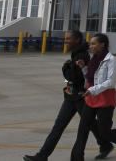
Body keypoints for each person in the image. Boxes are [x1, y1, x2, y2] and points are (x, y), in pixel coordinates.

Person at [23, 30, 111, 161]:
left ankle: (108, 144)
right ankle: (42, 155)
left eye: (69, 39)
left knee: (86, 125)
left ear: (76, 40)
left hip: (80, 97)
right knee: (62, 126)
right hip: (71, 96)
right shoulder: (76, 54)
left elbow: (75, 77)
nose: (66, 41)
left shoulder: (81, 55)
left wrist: (65, 68)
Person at [71, 33, 116, 161]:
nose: (91, 46)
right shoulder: (93, 59)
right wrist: (84, 67)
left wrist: (93, 89)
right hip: (91, 98)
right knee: (83, 128)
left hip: (105, 99)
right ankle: (76, 158)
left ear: (102, 45)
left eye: (94, 43)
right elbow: (91, 77)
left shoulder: (111, 60)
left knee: (104, 132)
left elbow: (110, 82)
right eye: (90, 44)